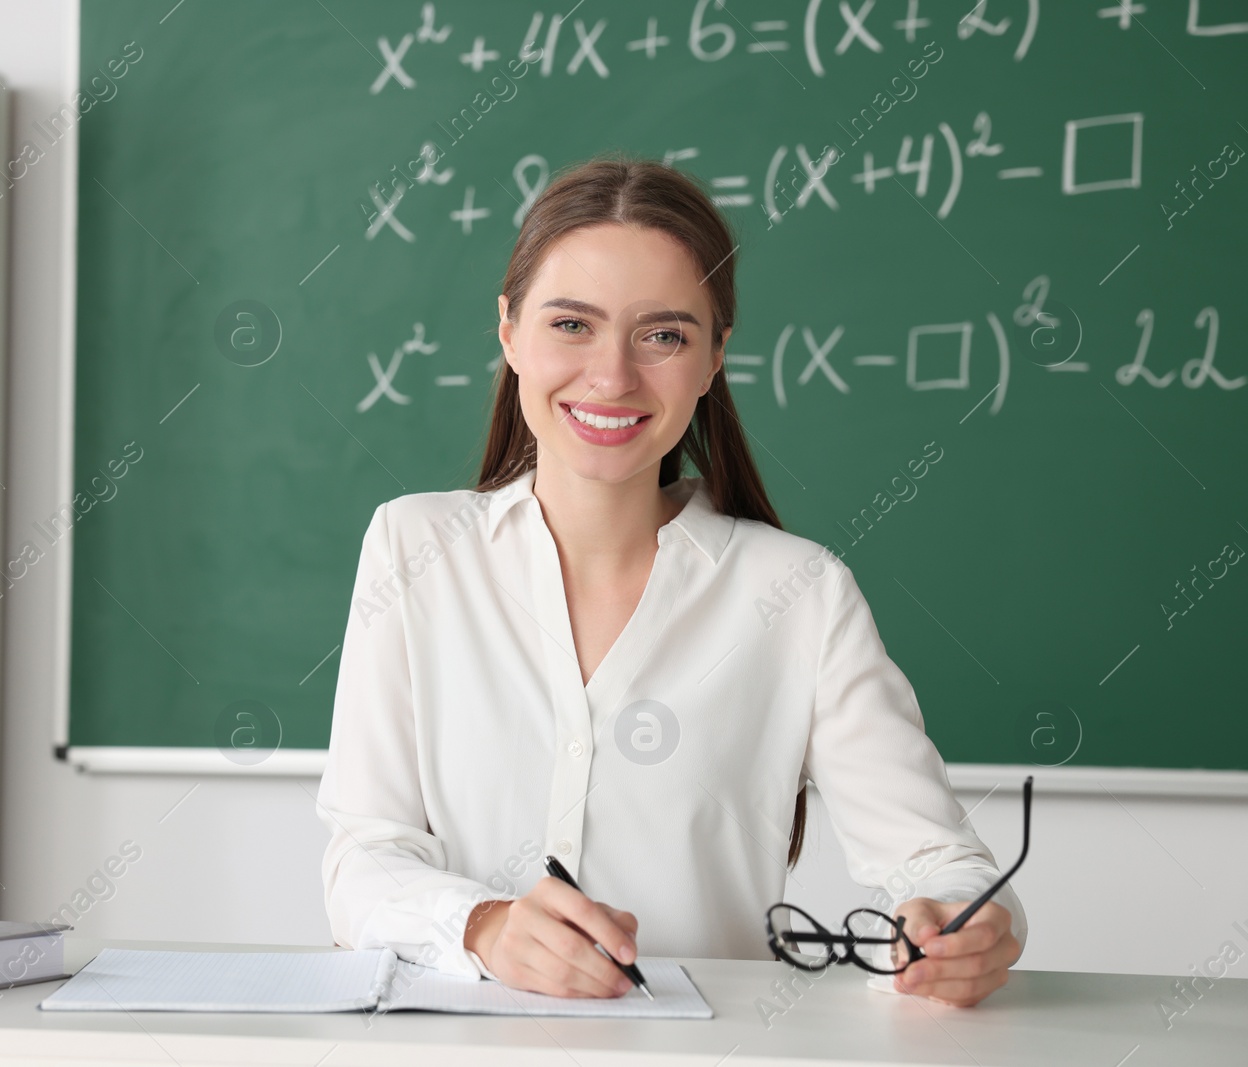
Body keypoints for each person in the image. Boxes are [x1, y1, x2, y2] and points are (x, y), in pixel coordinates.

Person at [315, 154, 1024, 1008]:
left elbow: (942, 864)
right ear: (508, 331)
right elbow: (361, 859)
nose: (613, 377)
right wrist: (485, 924)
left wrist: (968, 923)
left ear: (716, 353)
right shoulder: (414, 547)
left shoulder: (799, 593)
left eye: (663, 335)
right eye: (571, 324)